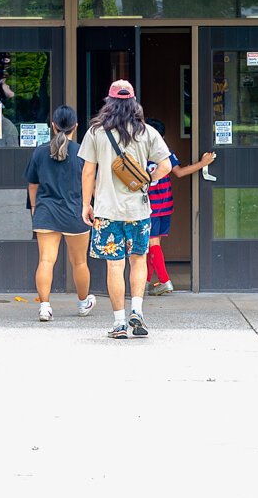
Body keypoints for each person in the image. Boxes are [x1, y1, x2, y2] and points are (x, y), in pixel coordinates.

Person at [79, 80, 171, 340]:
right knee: (139, 260)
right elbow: (164, 166)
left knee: (114, 266)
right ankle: (137, 312)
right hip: (139, 211)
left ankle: (119, 323)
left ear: (109, 102)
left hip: (107, 212)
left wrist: (87, 204)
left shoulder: (96, 132)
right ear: (133, 102)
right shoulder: (148, 132)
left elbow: (88, 171)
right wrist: (148, 179)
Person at [25, 106, 96, 322]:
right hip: (76, 212)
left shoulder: (39, 151)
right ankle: (83, 303)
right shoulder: (83, 152)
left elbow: (32, 184)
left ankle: (45, 307)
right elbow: (90, 181)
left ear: (53, 126)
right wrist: (89, 204)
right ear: (76, 126)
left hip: (46, 212)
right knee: (80, 263)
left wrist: (36, 208)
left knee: (46, 261)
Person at [142, 118, 216, 296]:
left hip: (149, 206)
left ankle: (165, 281)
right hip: (165, 204)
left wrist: (203, 164)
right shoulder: (166, 152)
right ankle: (144, 282)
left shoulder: (140, 152)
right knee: (154, 244)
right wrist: (202, 164)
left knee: (151, 244)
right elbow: (180, 172)